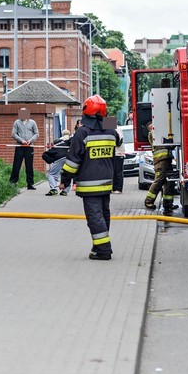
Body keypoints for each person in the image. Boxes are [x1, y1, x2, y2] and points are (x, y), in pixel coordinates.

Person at [60, 95, 122, 260]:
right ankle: (98, 246)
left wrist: (64, 181)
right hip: (106, 183)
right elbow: (118, 138)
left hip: (89, 185)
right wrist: (107, 121)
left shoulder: (82, 132)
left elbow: (73, 161)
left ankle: (103, 250)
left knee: (94, 218)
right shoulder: (110, 131)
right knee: (103, 215)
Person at [144, 122, 177, 215]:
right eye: (151, 126)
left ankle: (168, 203)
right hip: (160, 161)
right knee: (159, 180)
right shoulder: (152, 133)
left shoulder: (158, 132)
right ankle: (148, 201)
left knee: (170, 182)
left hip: (167, 159)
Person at [10, 107, 39, 189]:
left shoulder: (32, 122)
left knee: (29, 165)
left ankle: (30, 184)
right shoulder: (17, 122)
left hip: (29, 146)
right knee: (16, 164)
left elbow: (36, 134)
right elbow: (13, 134)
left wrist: (30, 140)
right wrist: (21, 140)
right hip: (20, 146)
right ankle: (13, 182)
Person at [44, 129, 72, 196]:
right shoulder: (66, 142)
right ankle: (65, 191)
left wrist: (51, 161)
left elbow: (44, 155)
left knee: (51, 174)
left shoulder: (54, 147)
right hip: (68, 158)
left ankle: (53, 189)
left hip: (59, 159)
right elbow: (72, 140)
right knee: (67, 174)